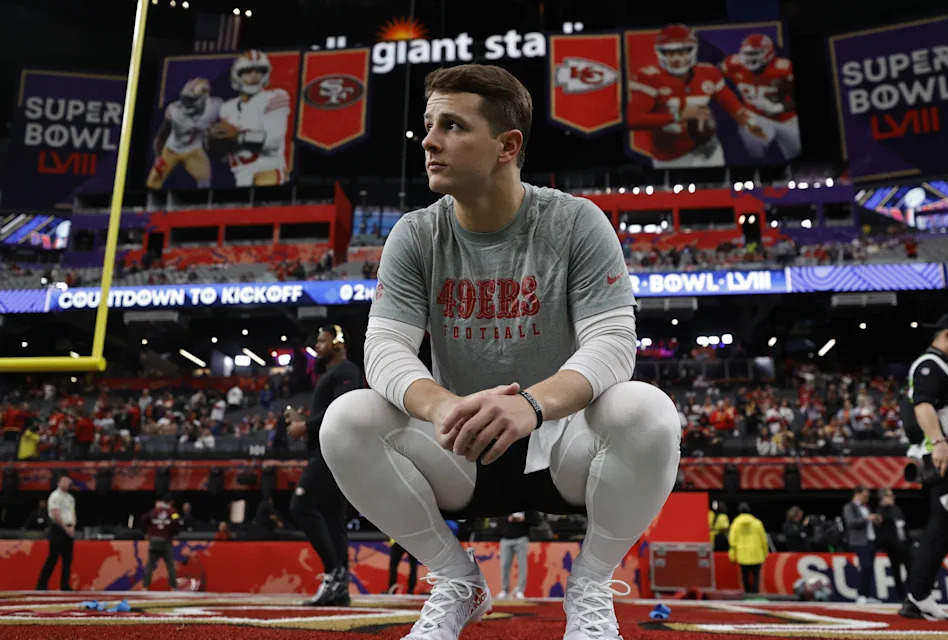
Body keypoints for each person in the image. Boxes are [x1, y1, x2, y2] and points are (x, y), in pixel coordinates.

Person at [319, 63, 681, 640]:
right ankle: (456, 580)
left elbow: (613, 343)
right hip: (459, 445)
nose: (430, 141)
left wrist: (531, 405)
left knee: (648, 410)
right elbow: (385, 347)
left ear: (507, 145)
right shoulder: (415, 233)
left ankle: (590, 586)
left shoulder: (576, 222)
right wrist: (442, 407)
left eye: (453, 126)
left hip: (564, 446)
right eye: (428, 124)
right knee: (346, 420)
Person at [287, 325, 363, 606]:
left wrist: (304, 425)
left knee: (301, 505)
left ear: (339, 342)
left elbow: (344, 409)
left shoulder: (345, 371)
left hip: (334, 452)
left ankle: (334, 572)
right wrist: (304, 421)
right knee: (333, 520)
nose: (317, 345)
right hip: (332, 451)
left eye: (322, 340)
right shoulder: (333, 373)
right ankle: (339, 589)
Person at [627, 24, 765, 168]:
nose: (677, 58)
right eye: (670, 53)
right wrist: (678, 116)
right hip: (670, 157)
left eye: (683, 52)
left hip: (708, 150)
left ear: (693, 50)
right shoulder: (649, 78)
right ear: (660, 52)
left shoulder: (708, 73)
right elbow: (634, 120)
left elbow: (733, 106)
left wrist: (751, 123)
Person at [899, 314, 948, 620]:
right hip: (946, 455)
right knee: (942, 524)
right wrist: (939, 443)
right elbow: (922, 404)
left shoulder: (945, 367)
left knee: (944, 527)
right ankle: (917, 593)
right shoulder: (930, 365)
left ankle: (917, 594)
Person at [210, 50, 290, 187]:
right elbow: (224, 154)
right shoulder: (227, 107)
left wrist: (237, 136)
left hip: (268, 170)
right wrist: (213, 140)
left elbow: (273, 140)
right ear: (237, 75)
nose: (254, 76)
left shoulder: (275, 97)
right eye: (248, 72)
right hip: (239, 175)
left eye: (259, 71)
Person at [719, 33, 800, 160]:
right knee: (754, 152)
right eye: (747, 54)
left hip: (786, 118)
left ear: (768, 54)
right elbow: (711, 75)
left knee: (795, 154)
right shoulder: (733, 65)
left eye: (754, 54)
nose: (749, 59)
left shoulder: (783, 69)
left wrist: (779, 107)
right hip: (756, 116)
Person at [146, 77, 221, 189]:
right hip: (171, 150)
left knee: (205, 179)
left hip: (194, 150)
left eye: (190, 100)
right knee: (153, 181)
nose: (186, 103)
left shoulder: (213, 108)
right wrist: (158, 157)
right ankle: (149, 205)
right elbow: (161, 136)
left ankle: (202, 206)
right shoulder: (175, 111)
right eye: (186, 99)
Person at [36, 475, 76, 590]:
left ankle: (65, 585)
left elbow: (73, 513)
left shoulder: (70, 498)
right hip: (58, 528)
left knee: (67, 559)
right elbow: (55, 513)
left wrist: (72, 526)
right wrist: (65, 527)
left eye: (68, 480)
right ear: (59, 482)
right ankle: (41, 584)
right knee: (53, 557)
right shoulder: (55, 496)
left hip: (69, 528)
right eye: (65, 480)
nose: (68, 483)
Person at [843, 485, 881, 604]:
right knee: (865, 566)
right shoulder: (849, 507)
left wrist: (875, 520)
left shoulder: (867, 508)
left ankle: (867, 594)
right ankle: (860, 594)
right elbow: (851, 522)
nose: (867, 498)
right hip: (859, 542)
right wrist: (867, 518)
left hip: (870, 540)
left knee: (870, 569)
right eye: (865, 495)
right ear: (857, 493)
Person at [140, 494, 181, 591]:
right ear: (171, 502)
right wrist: (175, 533)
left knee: (150, 565)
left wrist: (147, 532)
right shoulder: (173, 511)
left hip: (154, 540)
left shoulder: (154, 511)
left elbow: (143, 518)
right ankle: (174, 587)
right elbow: (176, 521)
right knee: (170, 565)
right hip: (166, 541)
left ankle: (145, 587)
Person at [875, 488, 910, 601]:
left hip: (904, 543)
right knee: (896, 571)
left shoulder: (896, 508)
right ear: (883, 498)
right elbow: (881, 524)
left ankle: (913, 593)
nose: (893, 497)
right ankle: (901, 596)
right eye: (890, 496)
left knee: (911, 569)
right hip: (892, 546)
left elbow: (903, 524)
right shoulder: (880, 510)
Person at [497, 510, 539, 599]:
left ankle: (520, 590)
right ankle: (505, 590)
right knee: (504, 566)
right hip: (506, 538)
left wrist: (524, 519)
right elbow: (499, 520)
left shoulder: (528, 504)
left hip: (521, 538)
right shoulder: (505, 504)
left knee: (522, 566)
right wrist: (507, 519)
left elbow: (536, 521)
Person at [727, 502, 768, 594]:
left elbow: (732, 541)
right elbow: (764, 540)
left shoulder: (735, 524)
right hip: (756, 554)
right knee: (756, 577)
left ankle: (747, 594)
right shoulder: (758, 523)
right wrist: (765, 553)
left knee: (745, 577)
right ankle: (756, 595)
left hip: (742, 555)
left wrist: (732, 556)